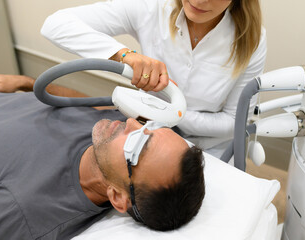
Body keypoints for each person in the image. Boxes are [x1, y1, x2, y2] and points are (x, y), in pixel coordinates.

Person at [0, 74, 205, 239]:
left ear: (118, 197)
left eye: (137, 143)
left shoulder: (24, 211)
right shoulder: (108, 134)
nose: (130, 122)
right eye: (149, 127)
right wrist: (25, 83)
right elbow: (80, 103)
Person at [40, 0, 266, 158]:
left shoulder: (252, 39)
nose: (200, 0)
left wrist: (170, 114)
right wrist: (125, 55)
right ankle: (23, 82)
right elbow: (55, 25)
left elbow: (234, 122)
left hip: (208, 145)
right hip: (145, 128)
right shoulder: (152, 6)